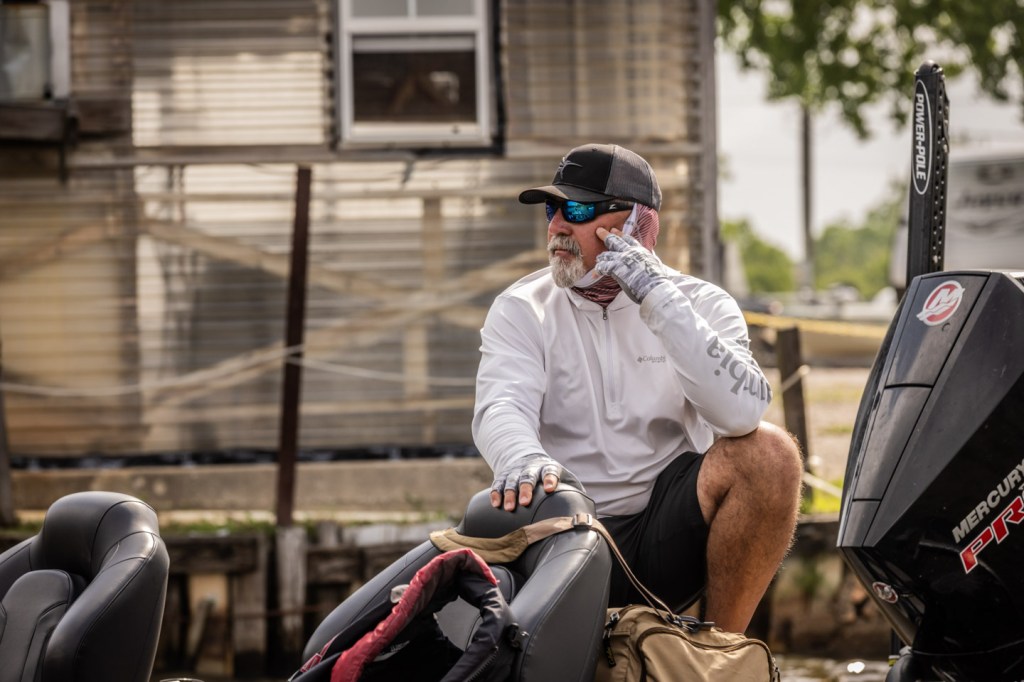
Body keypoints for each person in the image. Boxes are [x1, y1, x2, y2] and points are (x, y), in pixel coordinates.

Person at [471, 143, 803, 634]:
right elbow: (501, 405)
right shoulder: (521, 306)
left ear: (637, 224)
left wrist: (658, 299)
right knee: (509, 494)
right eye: (551, 209)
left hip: (667, 529)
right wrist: (521, 457)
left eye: (577, 210)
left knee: (772, 454)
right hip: (563, 527)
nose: (557, 226)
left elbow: (740, 415)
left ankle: (719, 653)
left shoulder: (703, 304)